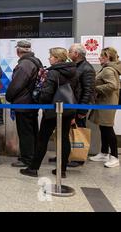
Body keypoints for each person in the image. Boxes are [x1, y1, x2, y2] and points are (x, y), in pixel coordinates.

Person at [20, 47, 78, 178]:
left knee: (43, 139)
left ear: (57, 59)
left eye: (51, 56)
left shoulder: (53, 73)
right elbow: (77, 92)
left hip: (52, 110)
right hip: (68, 109)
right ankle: (61, 170)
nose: (49, 58)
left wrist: (39, 99)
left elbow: (47, 94)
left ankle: (33, 168)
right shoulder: (74, 71)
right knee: (64, 138)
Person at [5, 40, 43, 168]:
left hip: (24, 103)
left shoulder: (24, 65)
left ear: (18, 51)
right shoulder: (36, 62)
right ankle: (33, 155)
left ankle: (27, 158)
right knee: (32, 131)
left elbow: (16, 85)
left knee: (25, 132)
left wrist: (9, 97)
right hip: (32, 102)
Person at [89, 47, 120, 168]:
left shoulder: (108, 70)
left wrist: (96, 89)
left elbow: (112, 86)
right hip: (104, 102)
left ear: (108, 57)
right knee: (103, 127)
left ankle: (114, 156)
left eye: (102, 56)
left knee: (108, 129)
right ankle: (104, 152)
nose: (99, 58)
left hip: (107, 103)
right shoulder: (108, 69)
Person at [66, 43, 96, 167]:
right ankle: (66, 154)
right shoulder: (75, 66)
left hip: (79, 107)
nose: (68, 53)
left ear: (76, 54)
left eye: (70, 51)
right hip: (72, 105)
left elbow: (88, 91)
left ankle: (78, 158)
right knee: (67, 132)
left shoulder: (87, 68)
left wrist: (82, 110)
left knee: (79, 131)